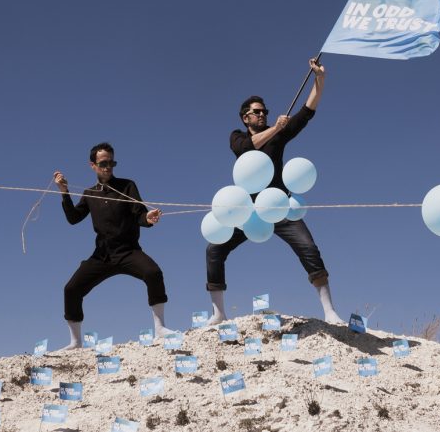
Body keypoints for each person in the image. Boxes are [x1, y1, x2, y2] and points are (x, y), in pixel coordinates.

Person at [206, 58, 345, 326]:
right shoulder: (237, 135)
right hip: (246, 209)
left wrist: (320, 79)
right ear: (245, 117)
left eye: (264, 111)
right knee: (214, 249)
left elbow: (307, 110)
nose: (262, 115)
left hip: (278, 205)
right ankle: (219, 313)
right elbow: (246, 149)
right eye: (257, 112)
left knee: (309, 248)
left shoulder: (278, 134)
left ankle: (329, 310)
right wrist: (275, 128)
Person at [54, 142, 174, 350]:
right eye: (103, 163)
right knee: (71, 289)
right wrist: (64, 193)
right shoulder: (89, 193)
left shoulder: (128, 186)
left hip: (128, 251)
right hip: (102, 255)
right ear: (93, 165)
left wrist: (149, 218)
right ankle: (75, 342)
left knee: (153, 273)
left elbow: (140, 214)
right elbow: (73, 219)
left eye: (112, 162)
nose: (108, 167)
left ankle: (160, 328)